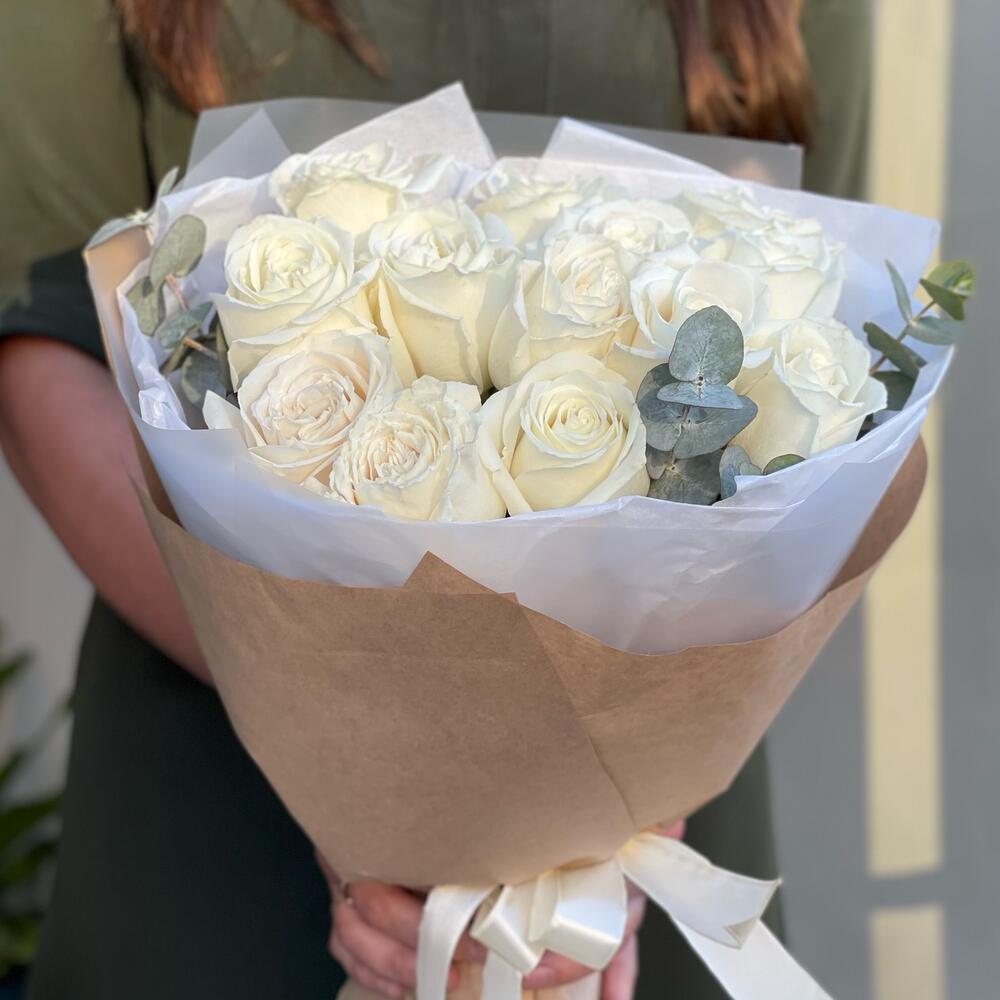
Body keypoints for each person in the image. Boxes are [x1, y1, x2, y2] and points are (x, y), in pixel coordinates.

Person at [0, 1, 871, 997]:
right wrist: (362, 735)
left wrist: (621, 780)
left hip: (645, 816)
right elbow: (42, 326)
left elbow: (830, 334)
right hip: (224, 779)